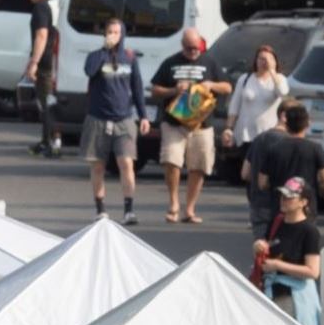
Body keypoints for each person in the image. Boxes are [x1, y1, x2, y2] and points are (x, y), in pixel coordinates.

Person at [148, 28, 231, 226]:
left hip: (202, 124)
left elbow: (228, 87)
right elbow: (154, 89)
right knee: (171, 161)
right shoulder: (170, 63)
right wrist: (174, 90)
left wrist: (212, 85)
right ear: (182, 46)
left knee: (199, 166)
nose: (193, 51)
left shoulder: (209, 62)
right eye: (189, 48)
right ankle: (173, 203)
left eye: (196, 47)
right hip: (174, 122)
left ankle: (190, 208)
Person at [80, 18, 149, 225]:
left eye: (116, 32)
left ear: (123, 35)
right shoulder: (95, 56)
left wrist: (143, 115)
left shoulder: (129, 58)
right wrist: (104, 50)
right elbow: (89, 71)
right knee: (98, 165)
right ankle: (100, 208)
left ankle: (129, 209)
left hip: (123, 118)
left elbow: (137, 87)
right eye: (109, 31)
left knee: (126, 162)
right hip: (98, 118)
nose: (113, 35)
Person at [246, 99, 324, 232]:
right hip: (306, 207)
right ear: (307, 124)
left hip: (279, 207)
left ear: (287, 124)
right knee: (306, 244)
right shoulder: (315, 148)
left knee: (280, 245)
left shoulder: (274, 149)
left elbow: (262, 182)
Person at [256, 177, 324, 325]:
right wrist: (258, 246)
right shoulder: (277, 222)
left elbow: (313, 271)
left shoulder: (309, 231)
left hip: (295, 297)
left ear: (303, 202)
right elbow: (267, 247)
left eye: (289, 197)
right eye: (282, 196)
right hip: (271, 290)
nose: (284, 200)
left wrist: (278, 265)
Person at [222, 41, 289, 169]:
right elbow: (235, 106)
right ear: (255, 61)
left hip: (269, 134)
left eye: (269, 59)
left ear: (275, 61)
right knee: (248, 173)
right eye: (261, 58)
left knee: (265, 172)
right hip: (247, 134)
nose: (264, 62)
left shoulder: (279, 79)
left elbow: (282, 92)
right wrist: (229, 128)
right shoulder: (245, 79)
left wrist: (272, 71)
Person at [21, 0, 60, 158]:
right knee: (52, 101)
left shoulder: (41, 8)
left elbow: (41, 35)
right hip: (58, 58)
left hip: (45, 61)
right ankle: (53, 140)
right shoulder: (57, 2)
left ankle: (49, 142)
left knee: (45, 102)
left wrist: (34, 62)